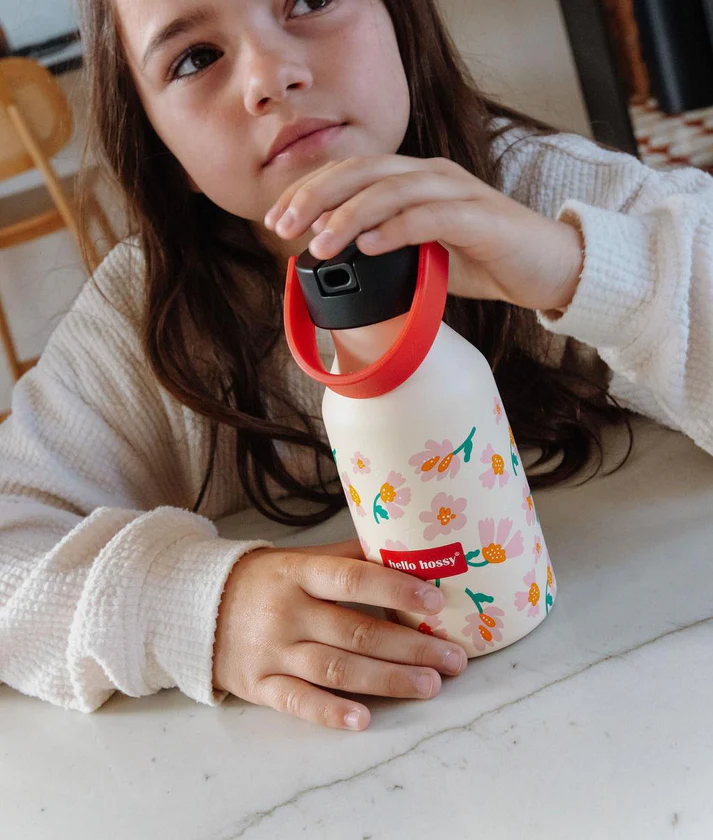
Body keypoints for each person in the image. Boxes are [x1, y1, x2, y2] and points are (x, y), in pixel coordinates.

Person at [1, 0, 711, 730]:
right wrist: (206, 608)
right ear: (156, 138)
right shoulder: (145, 322)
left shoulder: (545, 197)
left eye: (308, 1)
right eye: (195, 58)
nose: (270, 77)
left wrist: (579, 271)